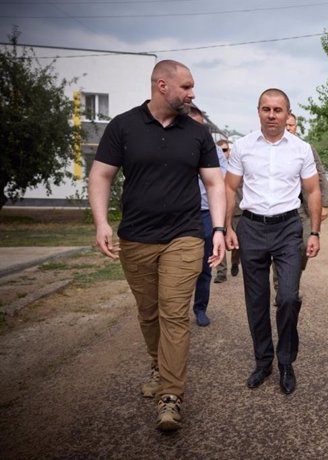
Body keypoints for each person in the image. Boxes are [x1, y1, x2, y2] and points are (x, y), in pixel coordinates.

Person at [88, 60, 226, 432]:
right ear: (162, 85)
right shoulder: (124, 126)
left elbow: (214, 183)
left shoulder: (198, 133)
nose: (192, 93)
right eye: (186, 87)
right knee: (148, 312)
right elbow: (101, 174)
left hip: (183, 235)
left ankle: (171, 395)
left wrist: (217, 228)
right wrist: (101, 222)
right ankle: (157, 362)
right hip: (135, 237)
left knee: (174, 314)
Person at [224, 88, 321, 396]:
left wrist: (315, 232)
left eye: (278, 110)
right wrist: (226, 226)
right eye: (266, 109)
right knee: (256, 301)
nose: (272, 115)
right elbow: (229, 188)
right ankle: (263, 361)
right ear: (258, 112)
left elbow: (314, 192)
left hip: (288, 228)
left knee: (289, 296)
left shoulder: (301, 149)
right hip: (251, 228)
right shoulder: (242, 146)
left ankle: (286, 361)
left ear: (287, 113)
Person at [271, 113, 328, 300]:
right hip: (279, 208)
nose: (288, 128)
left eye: (291, 125)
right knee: (279, 248)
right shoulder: (271, 149)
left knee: (304, 245)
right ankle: (282, 287)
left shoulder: (306, 148)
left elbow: (321, 176)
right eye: (286, 125)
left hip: (302, 208)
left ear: (296, 127)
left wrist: (325, 204)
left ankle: (292, 276)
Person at [189, 106, 229, 326]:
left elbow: (221, 178)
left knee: (205, 265)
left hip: (205, 212)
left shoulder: (213, 149)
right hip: (181, 214)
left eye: (201, 126)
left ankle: (200, 308)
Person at [214, 139, 238, 282]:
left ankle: (236, 261)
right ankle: (221, 271)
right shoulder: (212, 166)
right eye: (220, 150)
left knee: (238, 241)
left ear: (229, 151)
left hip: (237, 209)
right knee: (219, 235)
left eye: (225, 150)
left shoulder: (236, 165)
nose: (223, 153)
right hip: (218, 207)